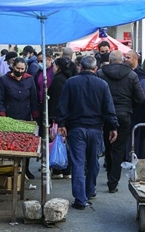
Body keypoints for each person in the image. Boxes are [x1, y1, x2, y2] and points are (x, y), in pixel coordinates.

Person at [55, 55, 118, 210]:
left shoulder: (71, 83)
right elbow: (109, 108)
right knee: (93, 162)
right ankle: (89, 191)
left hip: (76, 129)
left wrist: (61, 123)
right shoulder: (102, 85)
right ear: (95, 69)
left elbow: (62, 105)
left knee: (77, 163)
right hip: (96, 129)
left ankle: (80, 199)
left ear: (80, 67)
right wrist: (113, 127)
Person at [97, 51, 145, 193]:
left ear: (110, 61)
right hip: (124, 115)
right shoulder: (131, 75)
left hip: (106, 115)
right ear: (122, 60)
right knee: (118, 148)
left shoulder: (100, 74)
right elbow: (140, 98)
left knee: (108, 145)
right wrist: (130, 107)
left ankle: (109, 175)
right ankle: (113, 182)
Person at [0, 57, 39, 179]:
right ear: (13, 67)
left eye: (22, 69)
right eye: (18, 68)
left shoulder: (30, 79)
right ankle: (13, 169)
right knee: (11, 144)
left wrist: (35, 116)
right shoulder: (4, 80)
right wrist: (2, 114)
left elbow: (33, 98)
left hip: (26, 115)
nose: (20, 71)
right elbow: (0, 99)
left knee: (26, 144)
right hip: (10, 116)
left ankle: (26, 169)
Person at [48, 57, 78, 179]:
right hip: (71, 116)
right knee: (66, 143)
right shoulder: (71, 79)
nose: (53, 68)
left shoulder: (58, 80)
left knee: (58, 141)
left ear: (59, 67)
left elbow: (56, 100)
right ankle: (66, 169)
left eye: (54, 65)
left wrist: (54, 117)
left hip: (60, 117)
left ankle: (59, 169)